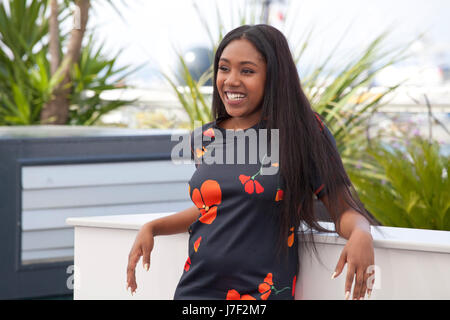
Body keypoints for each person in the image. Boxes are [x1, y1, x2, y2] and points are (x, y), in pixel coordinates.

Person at [126, 24, 379, 300]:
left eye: (247, 71)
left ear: (274, 77)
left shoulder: (304, 133)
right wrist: (153, 227)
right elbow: (216, 208)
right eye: (224, 68)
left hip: (261, 295)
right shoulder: (205, 138)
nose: (231, 80)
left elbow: (342, 208)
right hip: (196, 291)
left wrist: (361, 233)